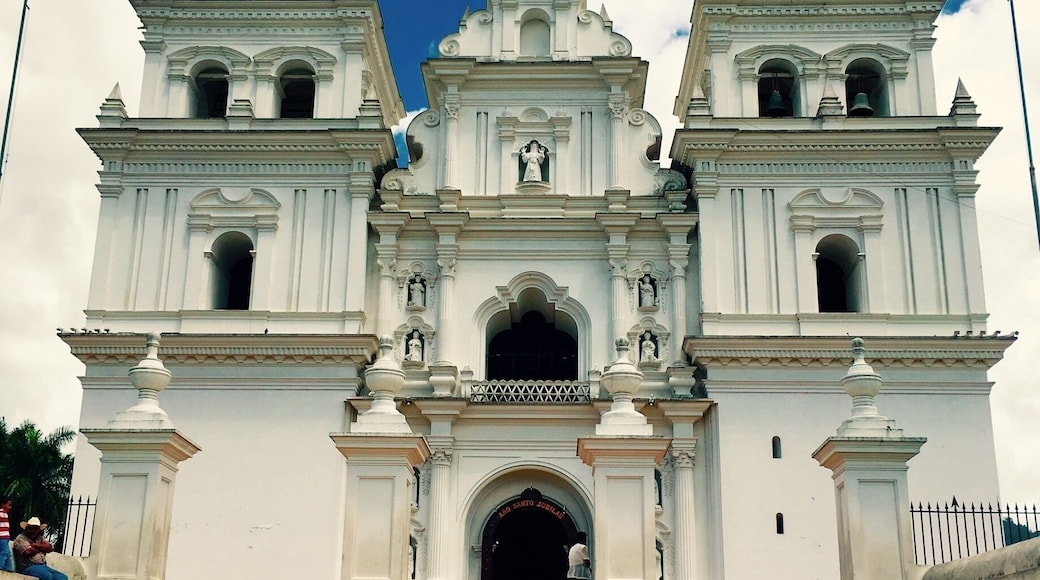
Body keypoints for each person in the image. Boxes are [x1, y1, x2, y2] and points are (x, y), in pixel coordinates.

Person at [0, 497, 12, 571]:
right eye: (9, 505)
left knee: (7, 552)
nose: (10, 507)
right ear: (3, 505)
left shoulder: (5, 513)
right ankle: (1, 565)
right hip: (2, 536)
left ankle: (8, 567)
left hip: (5, 537)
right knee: (4, 551)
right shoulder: (2, 513)